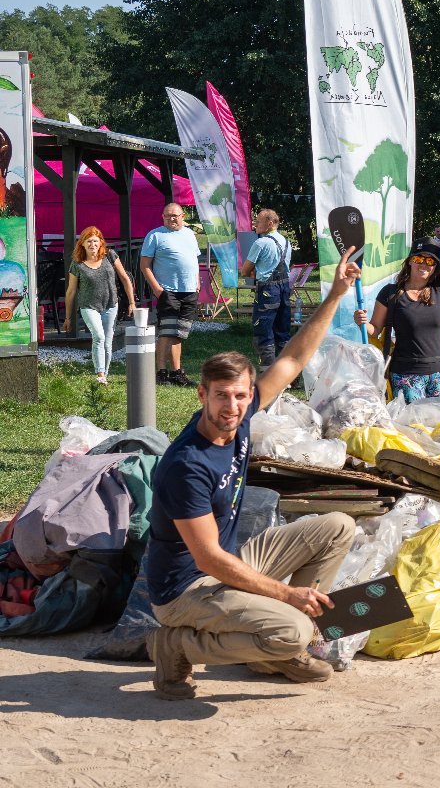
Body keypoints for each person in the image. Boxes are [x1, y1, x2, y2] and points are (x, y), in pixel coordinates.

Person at [145, 249, 363, 700]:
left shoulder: (241, 417)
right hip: (186, 589)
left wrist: (336, 294)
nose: (233, 407)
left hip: (230, 563)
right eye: (221, 396)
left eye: (241, 396)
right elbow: (207, 561)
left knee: (338, 526)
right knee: (295, 627)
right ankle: (179, 645)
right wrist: (286, 596)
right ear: (202, 394)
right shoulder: (188, 465)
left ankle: (276, 646)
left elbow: (292, 360)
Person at [354, 194, 440, 402]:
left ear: (435, 267)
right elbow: (375, 329)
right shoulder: (391, 293)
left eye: (430, 261)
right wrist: (362, 322)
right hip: (406, 374)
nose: (424, 264)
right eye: (419, 259)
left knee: (438, 430)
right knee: (414, 429)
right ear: (410, 262)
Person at [61, 226, 133, 384]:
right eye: (88, 241)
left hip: (110, 304)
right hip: (88, 305)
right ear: (82, 244)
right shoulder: (77, 264)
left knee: (108, 341)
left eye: (95, 241)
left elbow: (125, 278)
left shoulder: (110, 256)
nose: (92, 244)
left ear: (101, 242)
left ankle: (104, 376)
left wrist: (132, 302)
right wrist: (68, 317)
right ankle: (100, 374)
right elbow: (71, 291)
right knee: (99, 337)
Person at [140, 202, 202, 386]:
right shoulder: (155, 236)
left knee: (179, 334)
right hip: (168, 291)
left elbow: (193, 259)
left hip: (189, 290)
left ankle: (177, 373)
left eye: (175, 215)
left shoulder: (190, 234)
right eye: (168, 216)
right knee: (166, 332)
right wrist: (157, 289)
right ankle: (161, 372)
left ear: (183, 216)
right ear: (163, 217)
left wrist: (197, 282)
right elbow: (144, 265)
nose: (172, 219)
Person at [240, 209, 293, 368]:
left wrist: (257, 272)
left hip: (267, 290)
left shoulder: (260, 243)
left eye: (258, 220)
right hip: (284, 287)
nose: (255, 223)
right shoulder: (286, 241)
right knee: (283, 332)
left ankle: (268, 373)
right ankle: (290, 376)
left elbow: (244, 271)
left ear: (270, 224)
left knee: (263, 330)